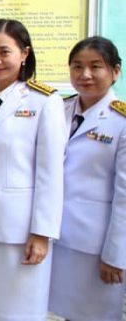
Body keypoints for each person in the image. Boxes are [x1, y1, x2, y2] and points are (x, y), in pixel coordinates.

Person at [0, 19, 66, 321]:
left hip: (18, 231)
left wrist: (42, 232)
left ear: (24, 53)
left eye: (4, 51)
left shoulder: (44, 101)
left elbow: (50, 174)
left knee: (18, 311)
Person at [49, 36, 126, 321]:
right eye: (77, 66)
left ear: (115, 71)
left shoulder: (121, 121)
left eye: (96, 66)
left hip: (95, 245)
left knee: (95, 314)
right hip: (56, 237)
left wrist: (116, 254)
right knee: (63, 312)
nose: (85, 74)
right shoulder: (58, 110)